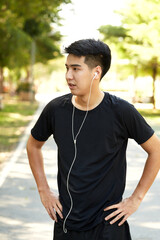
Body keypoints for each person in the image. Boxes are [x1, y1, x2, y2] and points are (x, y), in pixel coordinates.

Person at [26, 39, 160, 240]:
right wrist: (43, 189)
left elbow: (156, 150)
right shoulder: (55, 109)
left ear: (96, 72)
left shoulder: (121, 111)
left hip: (109, 224)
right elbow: (33, 145)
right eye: (67, 68)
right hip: (67, 223)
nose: (68, 76)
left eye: (76, 69)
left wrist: (135, 199)